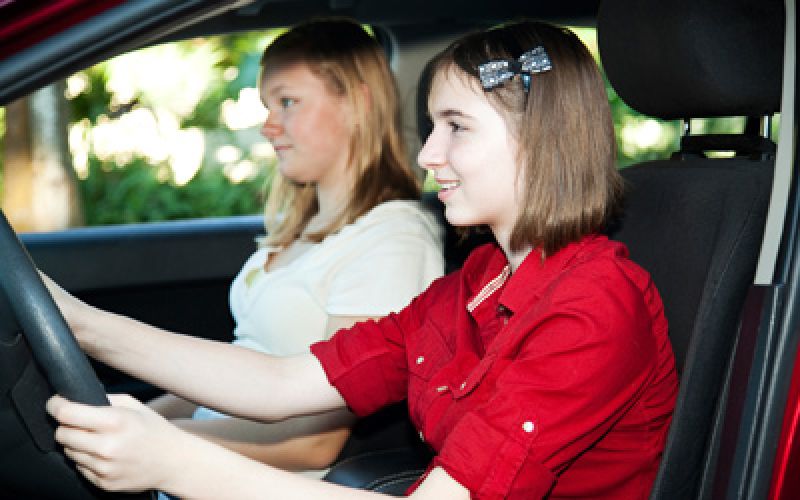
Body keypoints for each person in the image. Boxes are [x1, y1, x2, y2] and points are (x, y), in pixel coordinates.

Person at [45, 19, 678, 499]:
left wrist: (174, 461)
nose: (428, 155)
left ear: (538, 142)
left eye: (456, 127)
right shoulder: (477, 283)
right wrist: (79, 323)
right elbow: (281, 382)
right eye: (432, 126)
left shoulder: (594, 306)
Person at [147, 17, 444, 474]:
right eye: (268, 106)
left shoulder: (394, 241)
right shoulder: (303, 224)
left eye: (287, 102)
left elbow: (314, 444)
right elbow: (241, 364)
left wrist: (156, 439)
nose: (268, 127)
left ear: (357, 104)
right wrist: (136, 415)